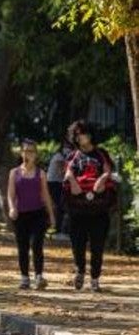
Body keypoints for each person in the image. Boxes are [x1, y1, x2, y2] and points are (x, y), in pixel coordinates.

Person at [62, 120, 119, 292]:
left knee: (97, 246)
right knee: (77, 245)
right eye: (77, 135)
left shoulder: (101, 154)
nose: (81, 137)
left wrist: (102, 179)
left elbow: (110, 173)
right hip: (78, 210)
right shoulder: (73, 156)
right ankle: (80, 271)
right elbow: (67, 174)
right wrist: (72, 180)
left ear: (91, 134)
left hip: (98, 209)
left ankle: (95, 279)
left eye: (84, 133)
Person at [6, 140, 57, 290]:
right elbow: (10, 194)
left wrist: (51, 215)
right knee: (22, 247)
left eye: (32, 151)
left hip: (38, 214)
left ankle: (39, 276)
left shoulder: (41, 173)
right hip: (21, 214)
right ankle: (24, 277)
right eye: (26, 151)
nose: (29, 154)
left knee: (37, 245)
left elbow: (45, 195)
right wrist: (11, 208)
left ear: (36, 155)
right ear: (21, 153)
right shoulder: (14, 173)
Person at [46, 139, 73, 235]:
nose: (68, 150)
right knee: (59, 206)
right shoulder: (59, 157)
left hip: (58, 183)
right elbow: (62, 172)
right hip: (53, 183)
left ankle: (58, 227)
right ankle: (56, 227)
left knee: (61, 205)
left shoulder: (62, 157)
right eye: (67, 147)